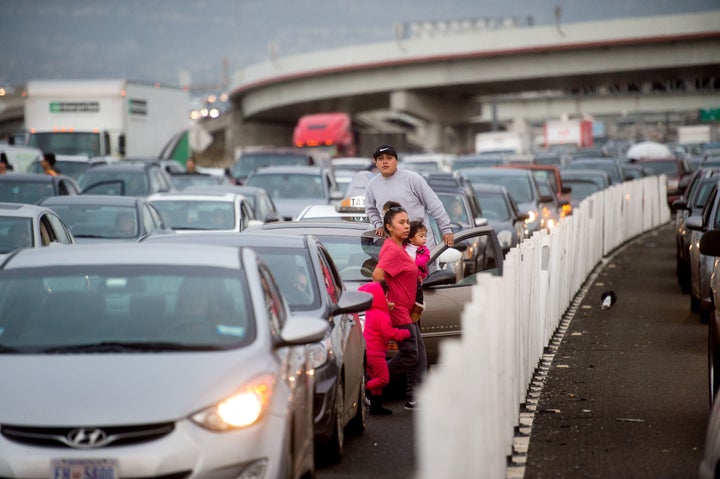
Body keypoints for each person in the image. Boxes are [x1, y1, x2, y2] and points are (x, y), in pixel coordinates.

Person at [372, 204, 426, 409]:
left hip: (408, 311)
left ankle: (414, 398)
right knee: (411, 354)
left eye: (406, 222)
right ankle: (372, 379)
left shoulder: (396, 247)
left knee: (418, 354)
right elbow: (377, 275)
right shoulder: (393, 250)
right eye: (401, 223)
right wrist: (384, 301)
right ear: (389, 227)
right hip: (399, 312)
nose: (406, 226)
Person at [365, 144, 454, 248]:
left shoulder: (413, 179)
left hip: (421, 245)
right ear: (376, 163)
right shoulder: (372, 185)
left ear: (396, 161)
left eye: (389, 158)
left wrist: (446, 229)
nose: (385, 162)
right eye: (380, 159)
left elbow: (434, 205)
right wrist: (379, 225)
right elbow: (370, 209)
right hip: (396, 247)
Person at [359, 279, 410, 415]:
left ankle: (376, 406)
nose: (387, 299)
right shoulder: (381, 315)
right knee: (383, 378)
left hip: (368, 352)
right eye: (385, 295)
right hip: (376, 353)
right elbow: (388, 333)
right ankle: (362, 389)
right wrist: (404, 333)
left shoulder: (371, 312)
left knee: (377, 380)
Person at [405, 220, 430, 321]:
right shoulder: (403, 247)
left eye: (425, 236)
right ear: (411, 238)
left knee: (418, 297)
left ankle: (416, 314)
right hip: (405, 280)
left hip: (416, 279)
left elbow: (421, 261)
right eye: (421, 236)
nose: (424, 238)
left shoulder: (424, 250)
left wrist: (410, 261)